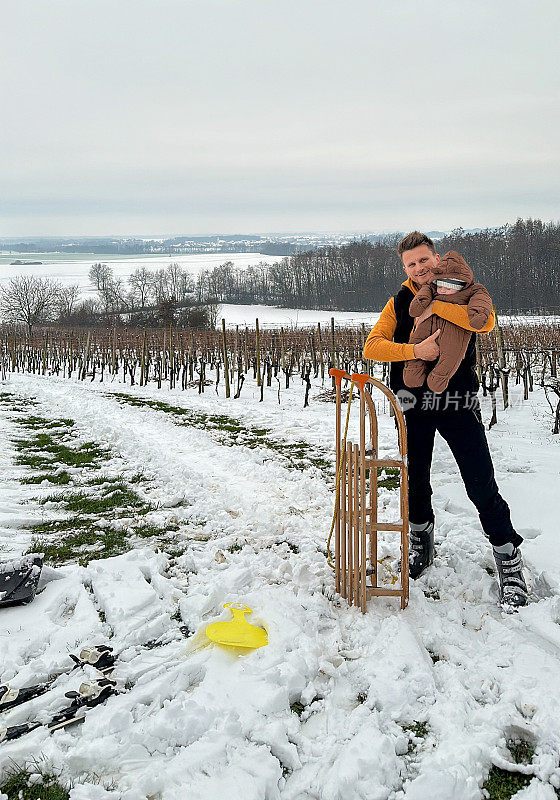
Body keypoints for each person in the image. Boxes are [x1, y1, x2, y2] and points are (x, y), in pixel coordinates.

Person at [362, 231, 528, 609]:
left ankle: (507, 552)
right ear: (404, 268)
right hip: (411, 400)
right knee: (415, 476)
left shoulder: (470, 290)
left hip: (457, 399)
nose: (419, 268)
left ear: (437, 258)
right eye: (411, 263)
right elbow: (374, 346)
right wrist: (414, 349)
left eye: (424, 260)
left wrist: (436, 307)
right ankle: (421, 538)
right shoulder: (400, 300)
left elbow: (483, 324)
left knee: (479, 478)